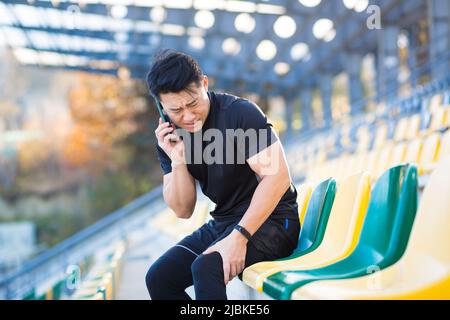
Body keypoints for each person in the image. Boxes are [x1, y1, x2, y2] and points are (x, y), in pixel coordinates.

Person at [145, 50, 300, 300]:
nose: (187, 116)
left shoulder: (240, 113)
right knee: (159, 278)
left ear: (204, 84)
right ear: (162, 108)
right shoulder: (170, 138)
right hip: (225, 221)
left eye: (193, 103)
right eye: (176, 110)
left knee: (206, 268)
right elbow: (183, 209)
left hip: (273, 220)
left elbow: (278, 178)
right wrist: (178, 159)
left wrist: (240, 236)